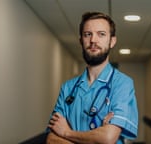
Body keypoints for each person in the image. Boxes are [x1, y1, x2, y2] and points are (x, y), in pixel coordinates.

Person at [46, 11, 138, 144]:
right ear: (81, 41)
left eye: (101, 34)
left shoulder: (123, 84)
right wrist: (95, 137)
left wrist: (66, 132)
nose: (93, 40)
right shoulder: (68, 88)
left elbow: (107, 138)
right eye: (87, 34)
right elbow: (51, 140)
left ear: (112, 41)